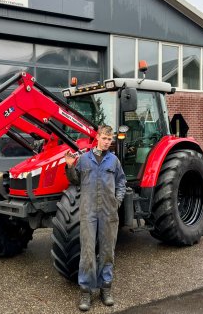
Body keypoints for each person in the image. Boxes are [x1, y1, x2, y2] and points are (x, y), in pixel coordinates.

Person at [64, 124, 127, 311]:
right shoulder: (84, 159)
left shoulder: (114, 161)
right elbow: (75, 180)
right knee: (88, 252)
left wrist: (117, 201)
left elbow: (121, 182)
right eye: (105, 138)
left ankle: (105, 289)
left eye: (110, 139)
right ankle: (86, 292)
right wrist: (69, 166)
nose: (108, 142)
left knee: (107, 251)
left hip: (109, 212)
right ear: (97, 138)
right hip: (88, 211)